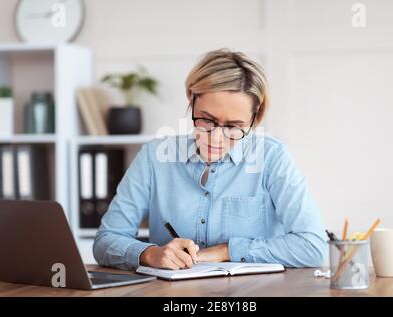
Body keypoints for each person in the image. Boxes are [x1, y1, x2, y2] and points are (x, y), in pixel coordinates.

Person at [93, 48, 327, 270]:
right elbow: (106, 240)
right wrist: (150, 254)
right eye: (206, 120)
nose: (216, 138)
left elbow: (313, 247)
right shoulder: (155, 157)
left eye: (234, 127)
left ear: (255, 120)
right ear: (191, 97)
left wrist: (226, 251)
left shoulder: (272, 158)